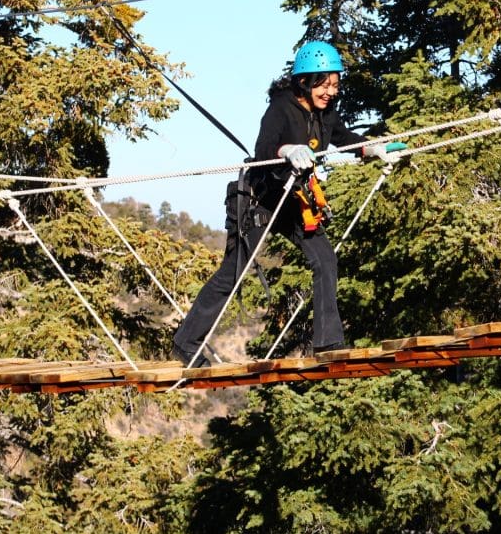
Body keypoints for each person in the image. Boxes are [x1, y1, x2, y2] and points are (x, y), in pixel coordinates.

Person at [171, 41, 404, 368]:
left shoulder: (326, 115)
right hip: (261, 199)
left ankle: (328, 344)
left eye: (335, 85)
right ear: (304, 82)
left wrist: (374, 149)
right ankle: (186, 343)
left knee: (325, 260)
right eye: (323, 84)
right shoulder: (280, 108)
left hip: (295, 201)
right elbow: (264, 148)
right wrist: (287, 151)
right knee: (233, 273)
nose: (330, 91)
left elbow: (346, 140)